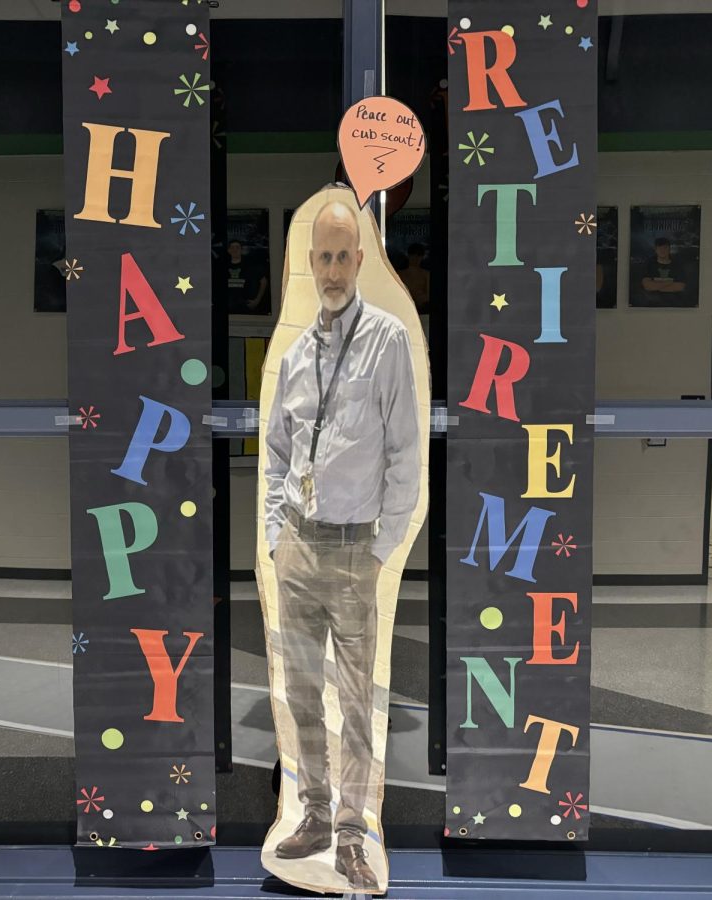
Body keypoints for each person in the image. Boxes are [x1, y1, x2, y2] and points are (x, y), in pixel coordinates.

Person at [264, 200, 420, 893]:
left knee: (356, 703)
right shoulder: (298, 353)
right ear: (312, 263)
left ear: (360, 260)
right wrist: (275, 535)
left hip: (357, 553)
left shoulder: (387, 342)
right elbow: (274, 453)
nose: (331, 270)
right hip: (299, 549)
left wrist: (380, 548)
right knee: (301, 693)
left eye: (341, 256)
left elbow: (405, 459)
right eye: (320, 257)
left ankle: (356, 833)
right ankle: (316, 815)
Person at [226, 238, 270, 314]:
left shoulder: (250, 264)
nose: (235, 250)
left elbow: (264, 281)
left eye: (237, 247)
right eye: (232, 248)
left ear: (241, 250)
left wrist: (257, 301)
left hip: (245, 307)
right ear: (228, 250)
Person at [640, 236, 688, 300]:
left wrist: (655, 286)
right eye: (659, 248)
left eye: (665, 248)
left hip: (674, 301)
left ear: (669, 249)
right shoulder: (649, 264)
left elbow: (680, 287)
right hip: (652, 301)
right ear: (655, 249)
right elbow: (647, 286)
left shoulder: (677, 264)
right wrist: (670, 282)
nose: (662, 250)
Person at [398, 242, 430, 312]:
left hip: (422, 309)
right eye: (413, 255)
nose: (416, 258)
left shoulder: (426, 274)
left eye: (419, 255)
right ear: (408, 255)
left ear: (422, 257)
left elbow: (429, 295)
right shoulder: (399, 274)